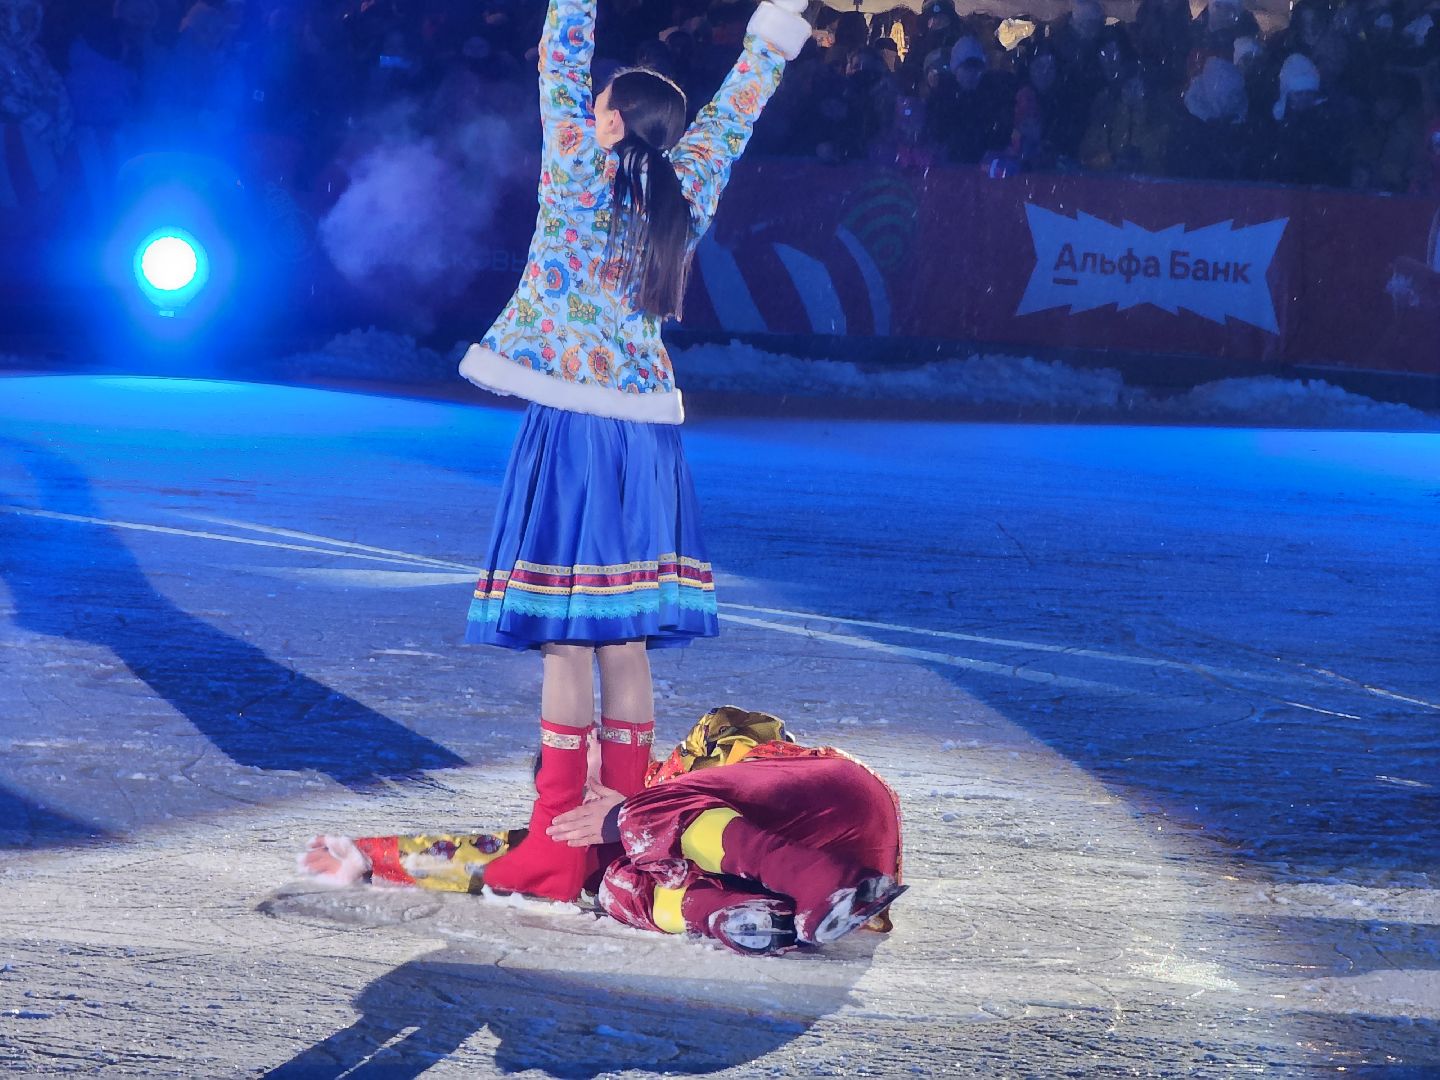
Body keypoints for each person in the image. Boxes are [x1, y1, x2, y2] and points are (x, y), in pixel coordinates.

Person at [450, 0, 811, 904]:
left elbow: (558, 55)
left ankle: (557, 842)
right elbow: (736, 106)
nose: (585, 106)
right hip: (645, 435)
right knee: (623, 640)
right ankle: (621, 838)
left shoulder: (577, 169)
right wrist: (775, 29)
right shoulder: (686, 183)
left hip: (575, 430)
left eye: (597, 101)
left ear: (608, 119)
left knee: (569, 641)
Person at [299, 707, 906, 956]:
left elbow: (764, 750)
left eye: (591, 744)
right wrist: (366, 856)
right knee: (616, 888)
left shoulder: (694, 757)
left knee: (646, 818)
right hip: (825, 862)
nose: (588, 789)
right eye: (573, 784)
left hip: (836, 798)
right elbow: (481, 855)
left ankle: (825, 886)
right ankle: (740, 915)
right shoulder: (592, 839)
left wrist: (631, 808)